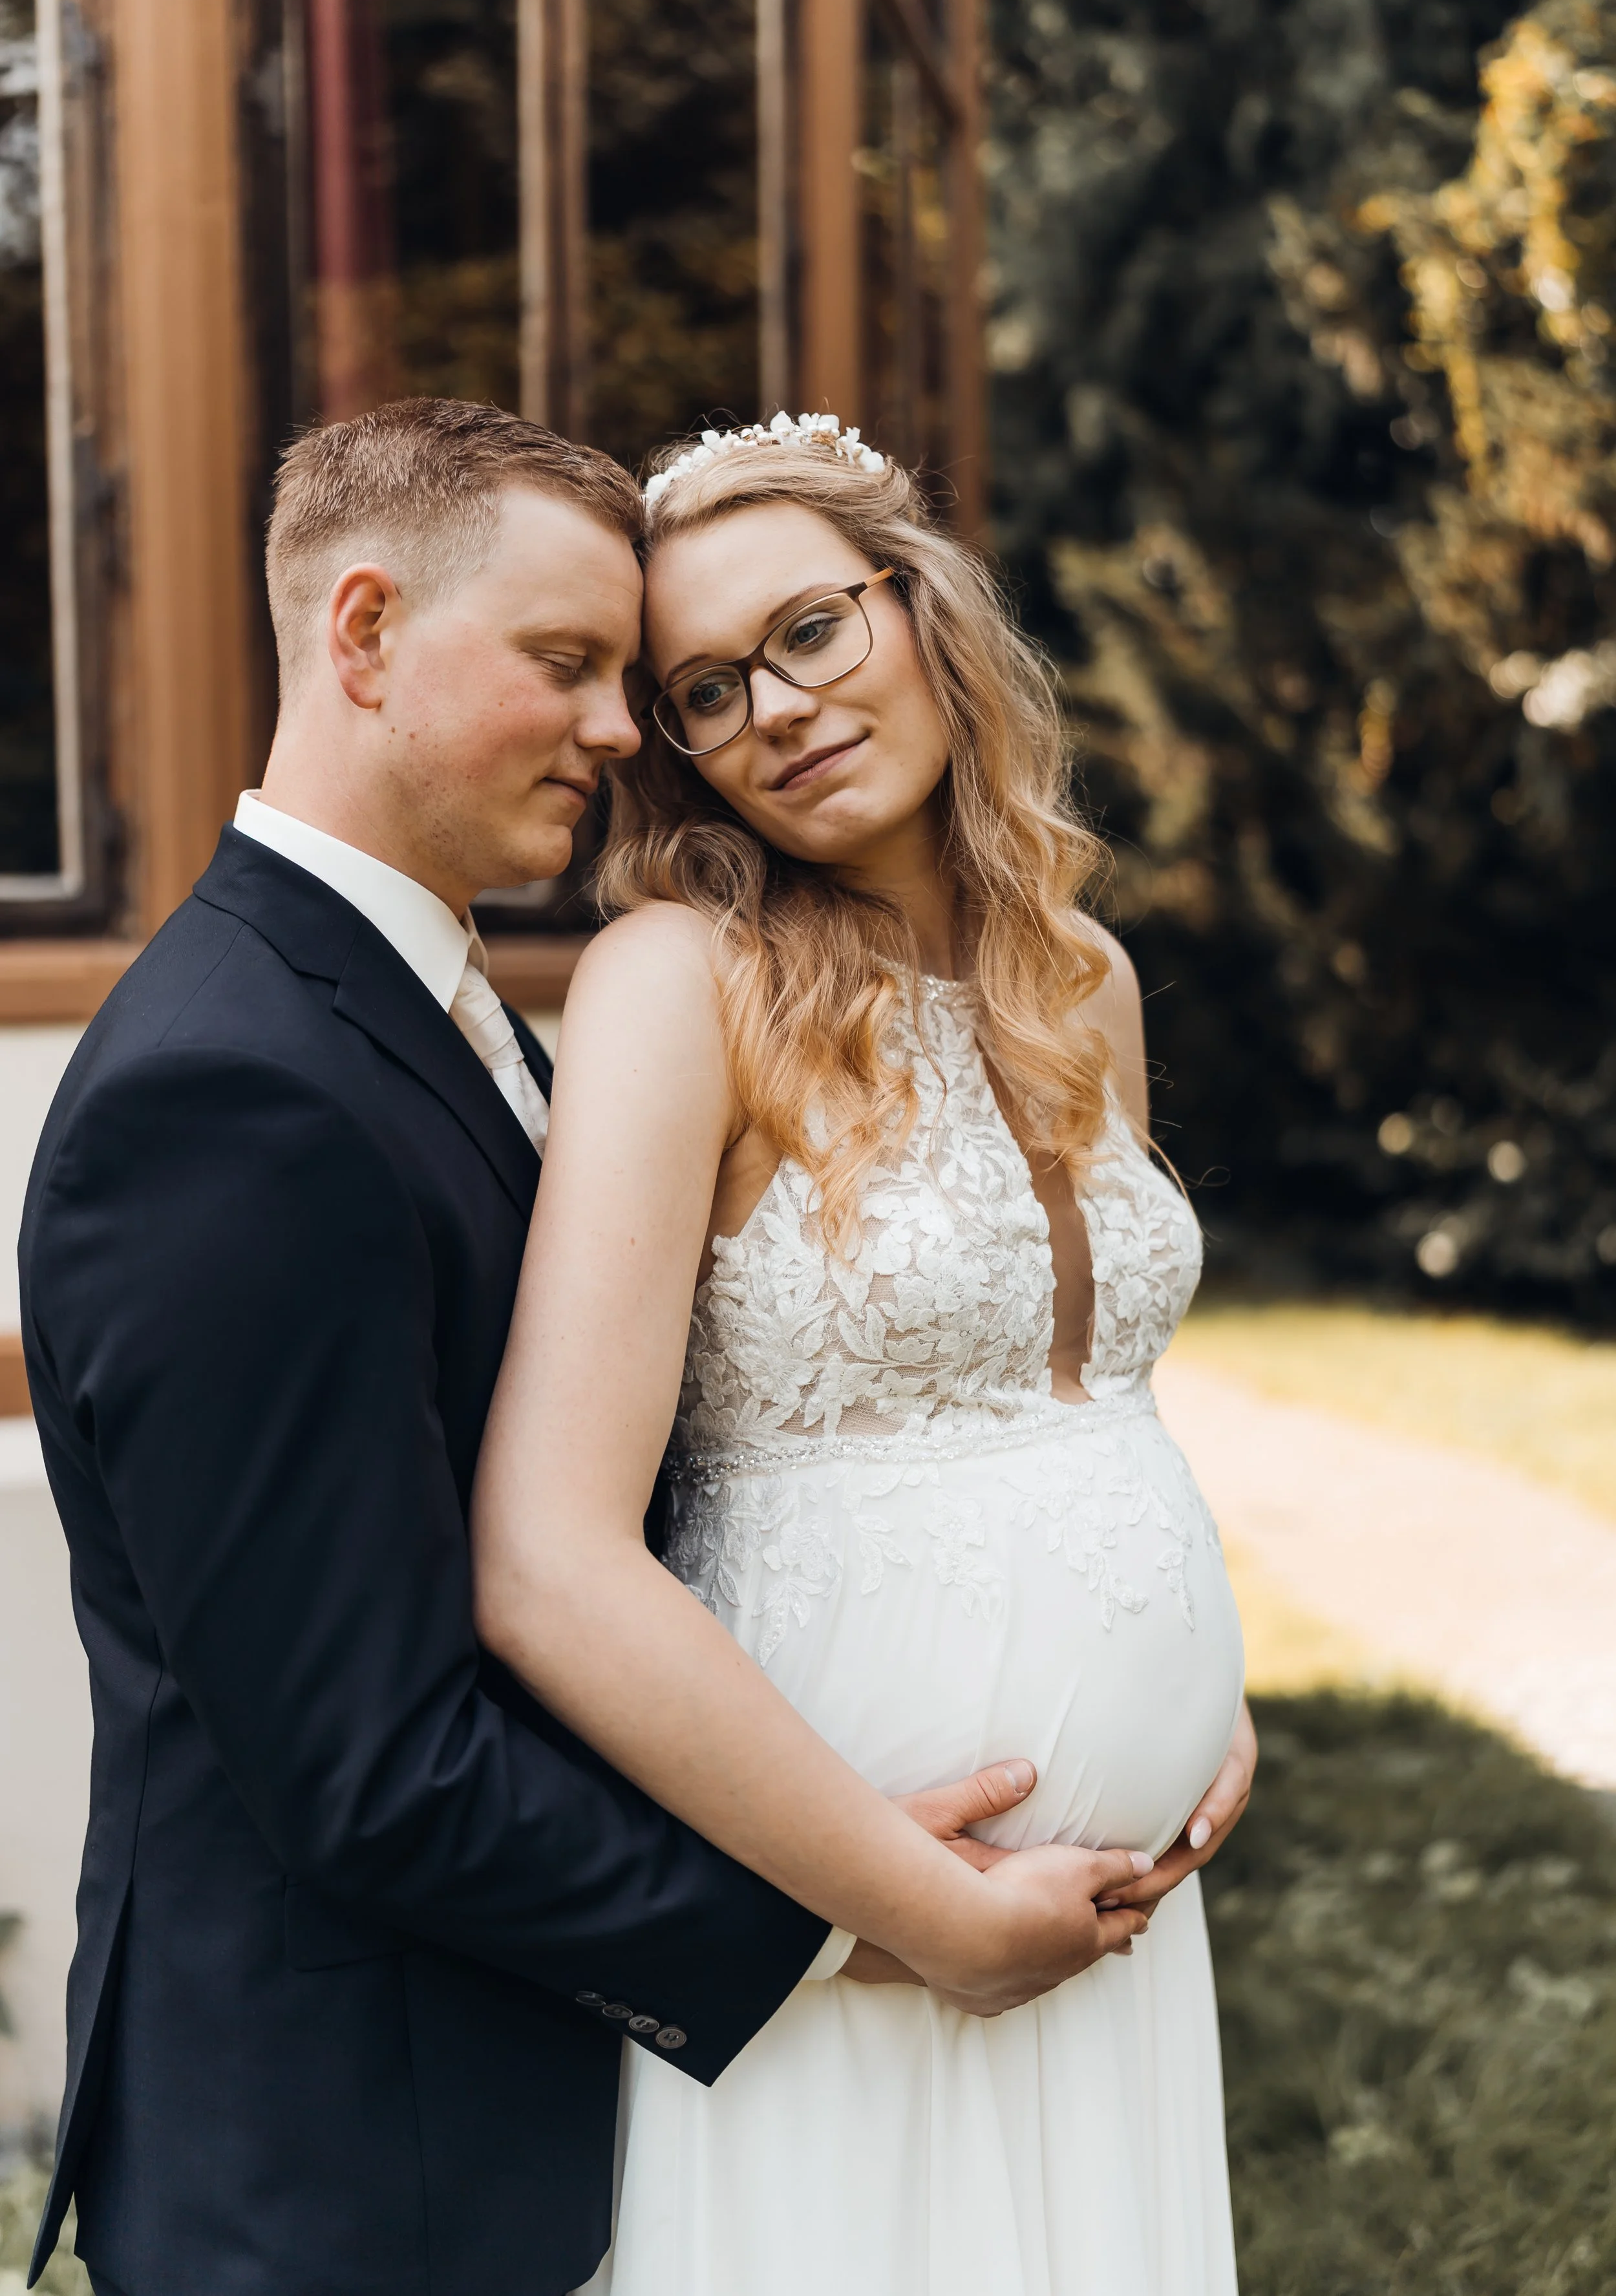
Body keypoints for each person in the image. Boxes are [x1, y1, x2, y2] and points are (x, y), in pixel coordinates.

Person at [18, 399, 1189, 2296]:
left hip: (519, 2086)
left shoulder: (426, 1003)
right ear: (364, 632)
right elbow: (370, 1765)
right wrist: (852, 1924)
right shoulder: (226, 1090)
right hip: (343, 2159)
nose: (631, 730)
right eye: (578, 665)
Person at [473, 412, 1257, 2296]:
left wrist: (1192, 1689)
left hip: (1114, 1922)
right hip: (863, 1914)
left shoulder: (1083, 977)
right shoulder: (681, 978)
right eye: (705, 689)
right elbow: (545, 1552)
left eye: (810, 632)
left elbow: (1088, 1401)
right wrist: (915, 1911)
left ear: (920, 610)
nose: (775, 709)